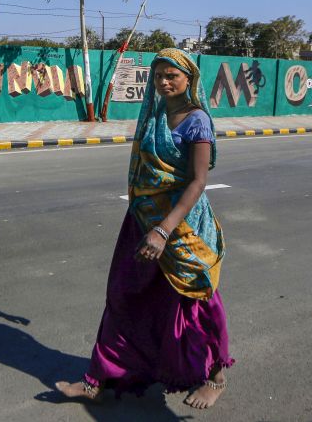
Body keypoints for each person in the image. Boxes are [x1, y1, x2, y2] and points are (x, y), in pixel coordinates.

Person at [55, 48, 233, 410]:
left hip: (181, 228)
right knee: (124, 296)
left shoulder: (197, 120)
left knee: (195, 298)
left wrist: (164, 231)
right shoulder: (153, 116)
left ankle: (216, 376)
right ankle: (98, 380)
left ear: (189, 79)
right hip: (142, 220)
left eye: (173, 75)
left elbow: (198, 182)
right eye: (159, 76)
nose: (164, 82)